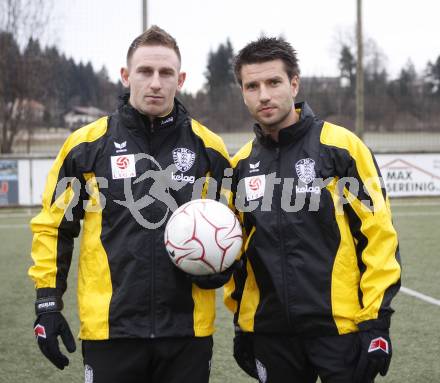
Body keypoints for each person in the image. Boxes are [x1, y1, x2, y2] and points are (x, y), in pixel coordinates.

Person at [29, 25, 233, 383]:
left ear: (180, 79)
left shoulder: (210, 148)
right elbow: (53, 227)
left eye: (166, 73)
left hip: (186, 334)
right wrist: (48, 301)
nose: (155, 82)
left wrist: (226, 266)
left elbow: (236, 227)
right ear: (126, 75)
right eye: (145, 71)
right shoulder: (85, 146)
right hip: (111, 331)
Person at [224, 36, 401, 383]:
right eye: (252, 85)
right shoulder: (240, 166)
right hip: (272, 332)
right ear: (242, 92)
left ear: (293, 83)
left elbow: (378, 237)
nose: (264, 95)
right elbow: (237, 255)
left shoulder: (342, 148)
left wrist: (376, 322)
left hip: (340, 328)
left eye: (273, 82)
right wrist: (243, 324)